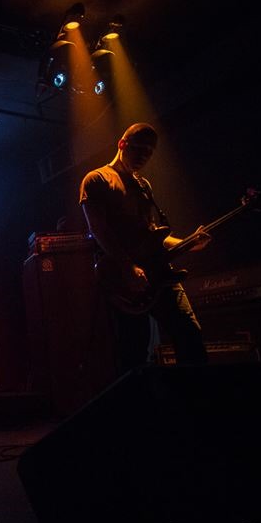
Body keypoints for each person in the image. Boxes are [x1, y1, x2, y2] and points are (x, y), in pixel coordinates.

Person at [79, 122, 210, 374]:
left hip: (158, 274)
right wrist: (128, 267)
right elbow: (99, 229)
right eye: (138, 149)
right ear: (122, 144)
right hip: (122, 279)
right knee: (134, 350)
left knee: (190, 334)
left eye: (149, 153)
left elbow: (152, 234)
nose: (143, 156)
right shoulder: (97, 179)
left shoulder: (143, 185)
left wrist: (188, 242)